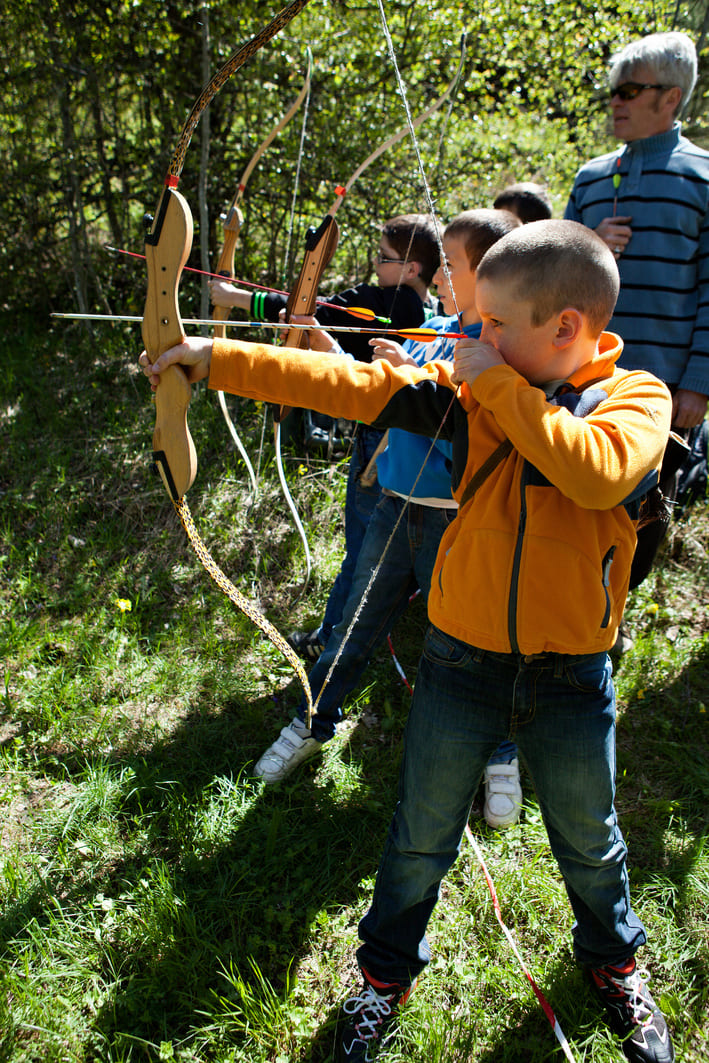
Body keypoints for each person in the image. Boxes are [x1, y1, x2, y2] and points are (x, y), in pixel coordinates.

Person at [140, 218, 674, 1063]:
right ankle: (382, 979)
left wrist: (493, 382)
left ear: (565, 327)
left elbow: (594, 470)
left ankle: (613, 965)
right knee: (419, 834)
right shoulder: (469, 391)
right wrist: (212, 357)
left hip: (572, 673)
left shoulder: (632, 399)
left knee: (588, 836)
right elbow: (345, 385)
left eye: (493, 322)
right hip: (459, 663)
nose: (471, 335)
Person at [249, 210, 522, 818]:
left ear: (496, 274)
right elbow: (368, 389)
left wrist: (416, 373)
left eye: (454, 264)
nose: (443, 274)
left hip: (462, 520)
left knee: (476, 640)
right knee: (352, 625)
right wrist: (317, 341)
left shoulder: (507, 350)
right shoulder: (430, 328)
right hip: (397, 505)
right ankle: (314, 720)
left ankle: (499, 753)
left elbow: (471, 408)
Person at [211, 215, 440, 662]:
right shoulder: (428, 311)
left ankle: (335, 638)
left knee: (363, 548)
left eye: (384, 258)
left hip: (382, 447)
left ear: (413, 268)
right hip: (401, 444)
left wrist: (235, 297)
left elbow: (312, 308)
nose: (376, 265)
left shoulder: (396, 303)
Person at [565, 32, 708, 442]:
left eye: (629, 91)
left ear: (670, 98)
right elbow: (552, 281)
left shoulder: (703, 177)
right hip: (580, 384)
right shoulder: (589, 177)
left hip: (666, 391)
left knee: (653, 506)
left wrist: (698, 383)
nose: (615, 102)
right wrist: (587, 243)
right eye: (613, 92)